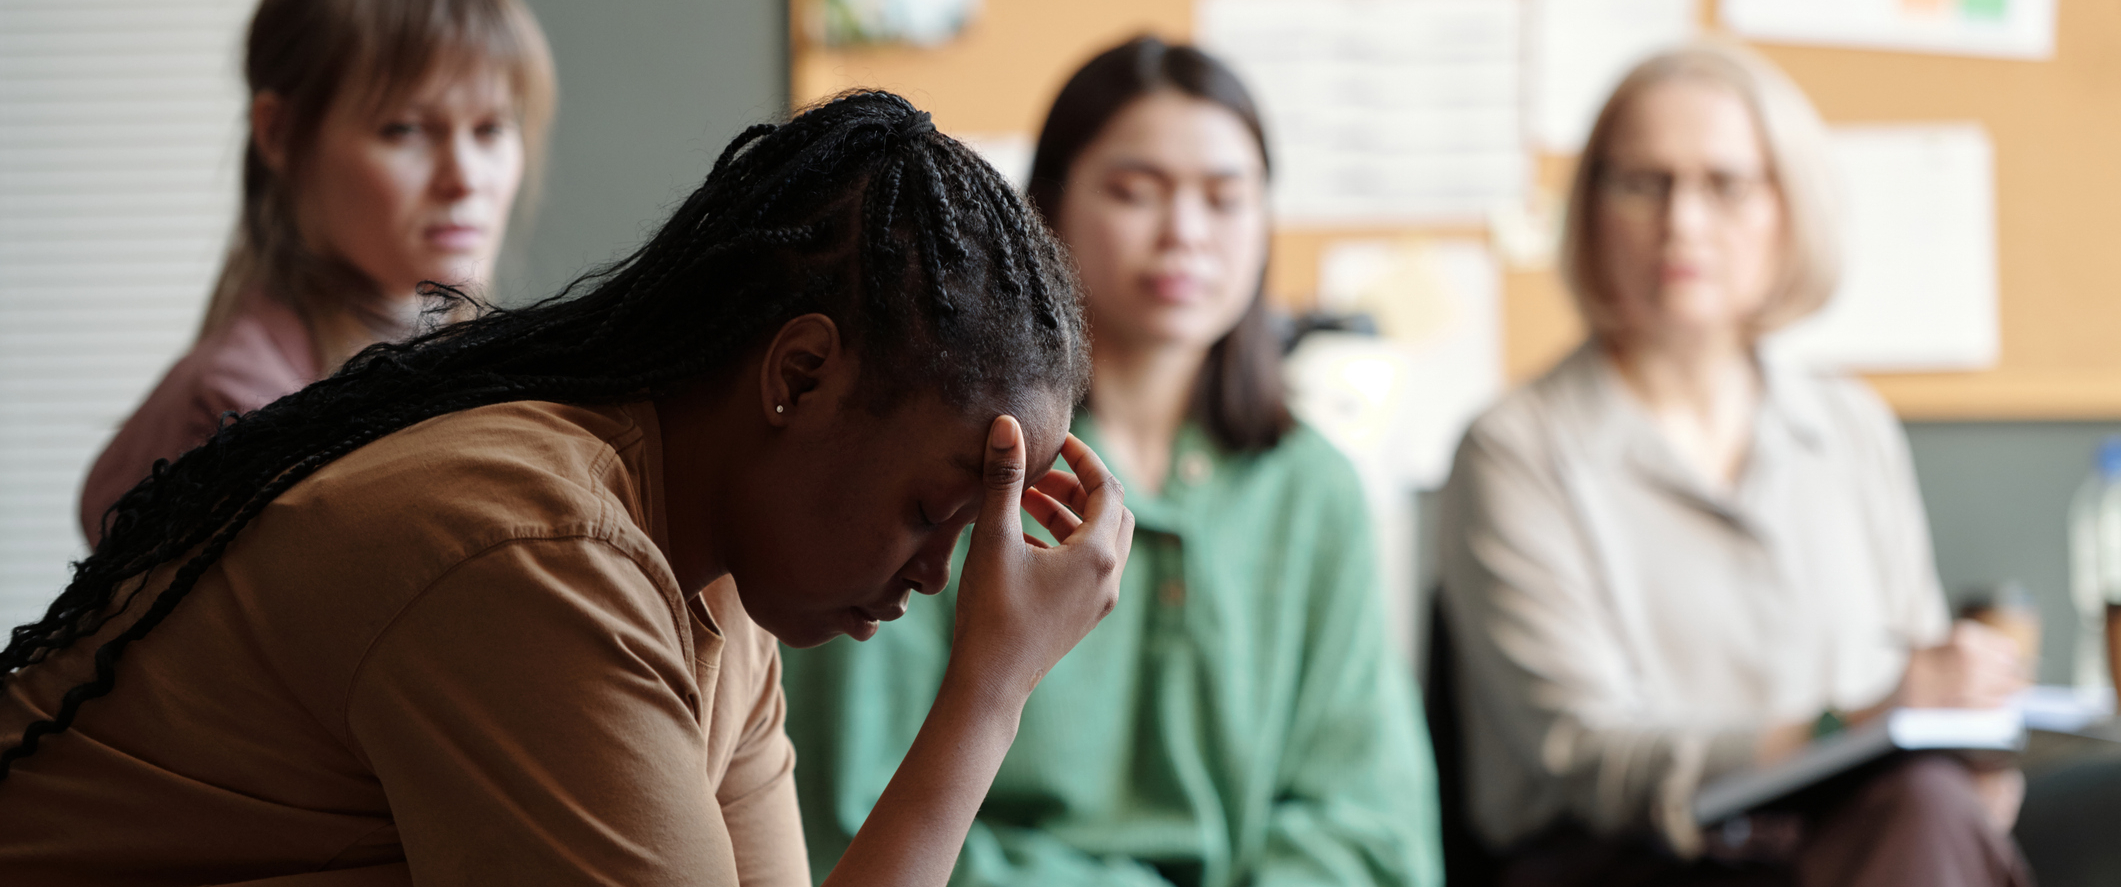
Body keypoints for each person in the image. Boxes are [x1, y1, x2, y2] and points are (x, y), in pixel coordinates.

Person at [0, 89, 1136, 886]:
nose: (941, 574)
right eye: (930, 511)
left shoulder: (719, 601)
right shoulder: (539, 550)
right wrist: (990, 695)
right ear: (798, 374)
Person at [782, 36, 1443, 887]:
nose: (1184, 234)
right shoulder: (953, 459)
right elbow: (848, 808)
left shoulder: (1313, 487)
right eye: (1136, 192)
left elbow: (1372, 823)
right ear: (1048, 208)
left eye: (1226, 199)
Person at [1437, 42, 2031, 886]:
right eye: (1643, 184)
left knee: (1935, 801)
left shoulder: (1850, 427)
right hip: (1629, 858)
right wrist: (1844, 724)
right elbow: (1585, 756)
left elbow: (1914, 691)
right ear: (1592, 210)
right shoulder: (1516, 447)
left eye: (1725, 185)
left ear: (1790, 208)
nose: (1681, 222)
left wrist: (1973, 739)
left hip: (1851, 841)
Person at [77, 0, 554, 544]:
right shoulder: (234, 416)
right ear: (279, 133)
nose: (465, 178)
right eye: (406, 129)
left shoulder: (471, 377)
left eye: (491, 129)